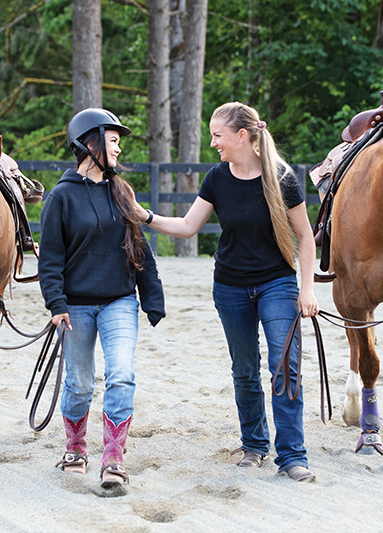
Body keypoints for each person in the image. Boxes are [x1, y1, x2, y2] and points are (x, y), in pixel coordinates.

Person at [133, 102, 319, 482]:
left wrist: (308, 289)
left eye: (217, 135)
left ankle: (292, 456)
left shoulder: (281, 178)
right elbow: (188, 226)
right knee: (245, 370)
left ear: (242, 136)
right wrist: (145, 217)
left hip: (277, 282)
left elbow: (305, 236)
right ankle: (254, 445)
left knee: (285, 367)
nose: (213, 143)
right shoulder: (217, 178)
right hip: (230, 286)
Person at [38, 108, 165, 489]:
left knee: (121, 375)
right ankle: (75, 449)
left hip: (119, 301)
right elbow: (50, 258)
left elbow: (138, 247)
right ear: (89, 143)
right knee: (78, 383)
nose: (119, 148)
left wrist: (152, 295)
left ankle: (113, 458)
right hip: (74, 306)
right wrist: (56, 304)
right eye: (112, 140)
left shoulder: (121, 191)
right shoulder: (61, 197)